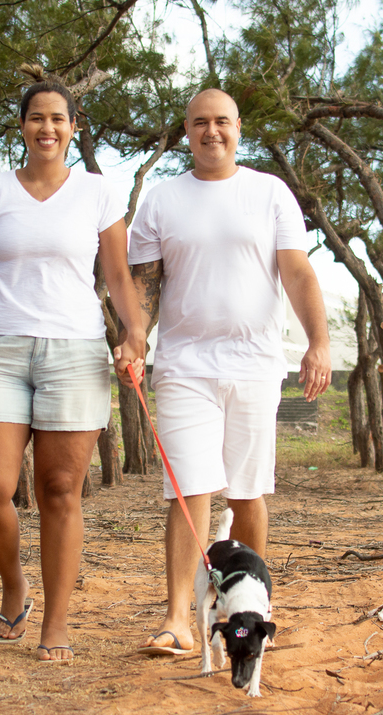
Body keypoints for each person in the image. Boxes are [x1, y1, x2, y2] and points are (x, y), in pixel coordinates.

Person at [0, 81, 147, 662]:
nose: (46, 128)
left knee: (59, 491)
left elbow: (119, 276)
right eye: (35, 118)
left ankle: (56, 621)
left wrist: (134, 332)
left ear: (74, 128)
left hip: (75, 353)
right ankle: (13, 583)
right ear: (22, 126)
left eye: (58, 119)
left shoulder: (99, 194)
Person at [125, 88, 332, 656]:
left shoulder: (269, 193)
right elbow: (144, 283)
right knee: (188, 487)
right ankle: (177, 619)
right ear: (185, 131)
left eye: (222, 122)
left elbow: (297, 273)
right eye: (199, 123)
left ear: (238, 128)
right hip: (184, 365)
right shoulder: (162, 200)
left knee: (245, 492)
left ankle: (251, 604)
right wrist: (134, 338)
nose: (211, 131)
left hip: (255, 363)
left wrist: (318, 341)